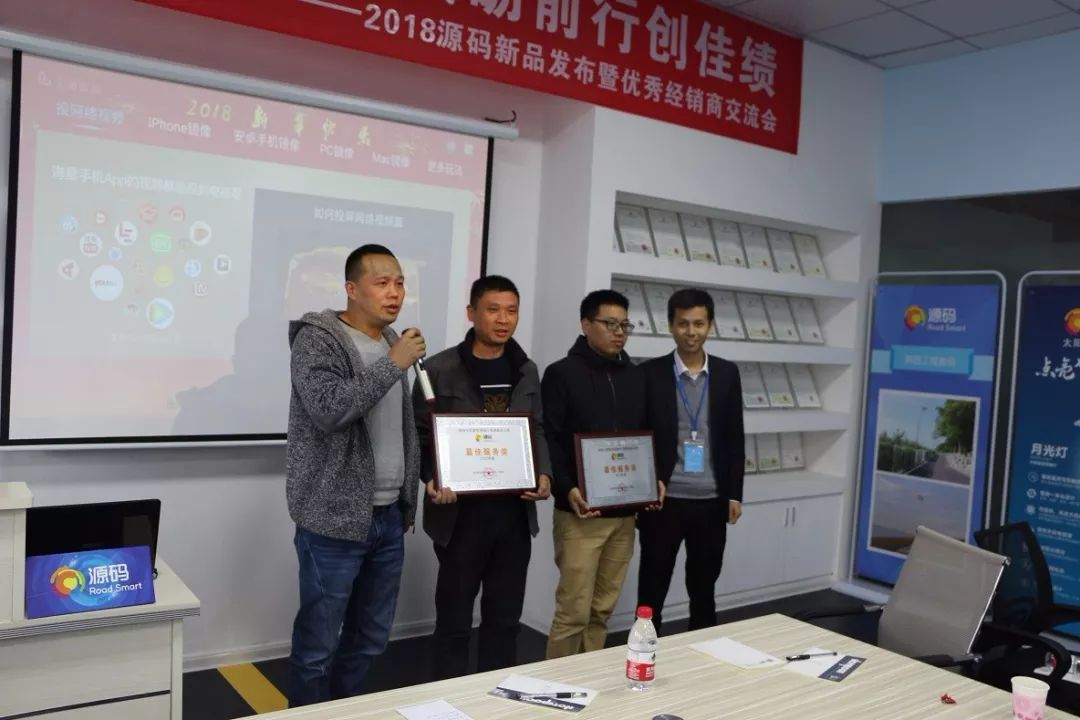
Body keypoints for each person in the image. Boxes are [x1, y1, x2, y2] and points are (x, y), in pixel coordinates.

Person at [285, 243, 424, 706]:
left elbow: (401, 429)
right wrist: (394, 364)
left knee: (369, 639)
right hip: (333, 519)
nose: (395, 293)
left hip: (389, 518)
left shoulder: (390, 342)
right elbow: (330, 410)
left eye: (400, 283)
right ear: (351, 288)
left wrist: (409, 496)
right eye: (382, 283)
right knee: (317, 648)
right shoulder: (318, 339)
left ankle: (345, 711)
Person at [413, 275, 552, 679]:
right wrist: (431, 477)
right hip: (460, 518)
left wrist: (543, 472)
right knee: (454, 622)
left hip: (513, 516)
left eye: (511, 311)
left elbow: (537, 428)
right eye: (493, 310)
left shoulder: (526, 369)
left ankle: (496, 698)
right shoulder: (438, 369)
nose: (503, 319)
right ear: (471, 313)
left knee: (504, 621)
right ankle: (450, 697)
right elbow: (419, 434)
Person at [541, 289, 659, 658]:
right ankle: (556, 683)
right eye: (610, 324)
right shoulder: (561, 374)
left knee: (601, 611)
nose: (619, 332)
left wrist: (651, 479)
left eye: (625, 325)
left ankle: (588, 681)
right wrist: (566, 487)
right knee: (573, 613)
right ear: (586, 324)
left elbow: (646, 436)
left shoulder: (636, 376)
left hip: (624, 516)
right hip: (581, 513)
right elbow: (550, 438)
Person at [638, 287, 745, 632]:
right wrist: (644, 486)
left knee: (703, 590)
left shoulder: (727, 374)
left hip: (712, 500)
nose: (691, 332)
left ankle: (701, 654)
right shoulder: (650, 374)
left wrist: (734, 494)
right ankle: (645, 654)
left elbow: (734, 437)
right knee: (651, 589)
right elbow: (640, 437)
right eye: (683, 323)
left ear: (710, 325)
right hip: (664, 501)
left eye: (698, 323)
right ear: (671, 325)